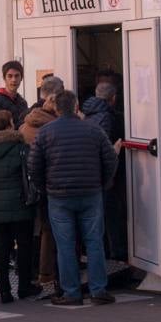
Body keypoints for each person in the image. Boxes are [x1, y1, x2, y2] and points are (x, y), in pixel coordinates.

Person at [28, 91, 118, 307]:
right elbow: (110, 160)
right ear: (76, 106)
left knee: (65, 245)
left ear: (56, 108)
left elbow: (33, 166)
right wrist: (102, 183)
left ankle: (71, 292)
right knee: (94, 242)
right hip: (90, 193)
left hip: (59, 196)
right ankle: (98, 290)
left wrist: (45, 187)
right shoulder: (94, 129)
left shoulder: (46, 132)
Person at [0, 110, 38, 302]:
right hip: (20, 203)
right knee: (25, 245)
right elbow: (31, 171)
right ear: (7, 125)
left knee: (1, 247)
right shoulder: (20, 147)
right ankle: (24, 287)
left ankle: (5, 292)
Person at [82, 81, 128, 261]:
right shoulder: (109, 117)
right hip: (105, 174)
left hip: (90, 173)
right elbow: (106, 149)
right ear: (114, 98)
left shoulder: (86, 114)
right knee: (111, 214)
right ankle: (115, 254)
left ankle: (103, 253)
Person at [20, 91, 60, 296]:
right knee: (49, 230)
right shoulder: (52, 128)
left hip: (28, 186)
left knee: (32, 230)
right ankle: (47, 273)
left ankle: (32, 272)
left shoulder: (26, 124)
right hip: (48, 184)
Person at [0, 60, 30, 128]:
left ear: (21, 78)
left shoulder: (23, 102)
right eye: (10, 76)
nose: (14, 80)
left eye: (17, 76)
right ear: (4, 78)